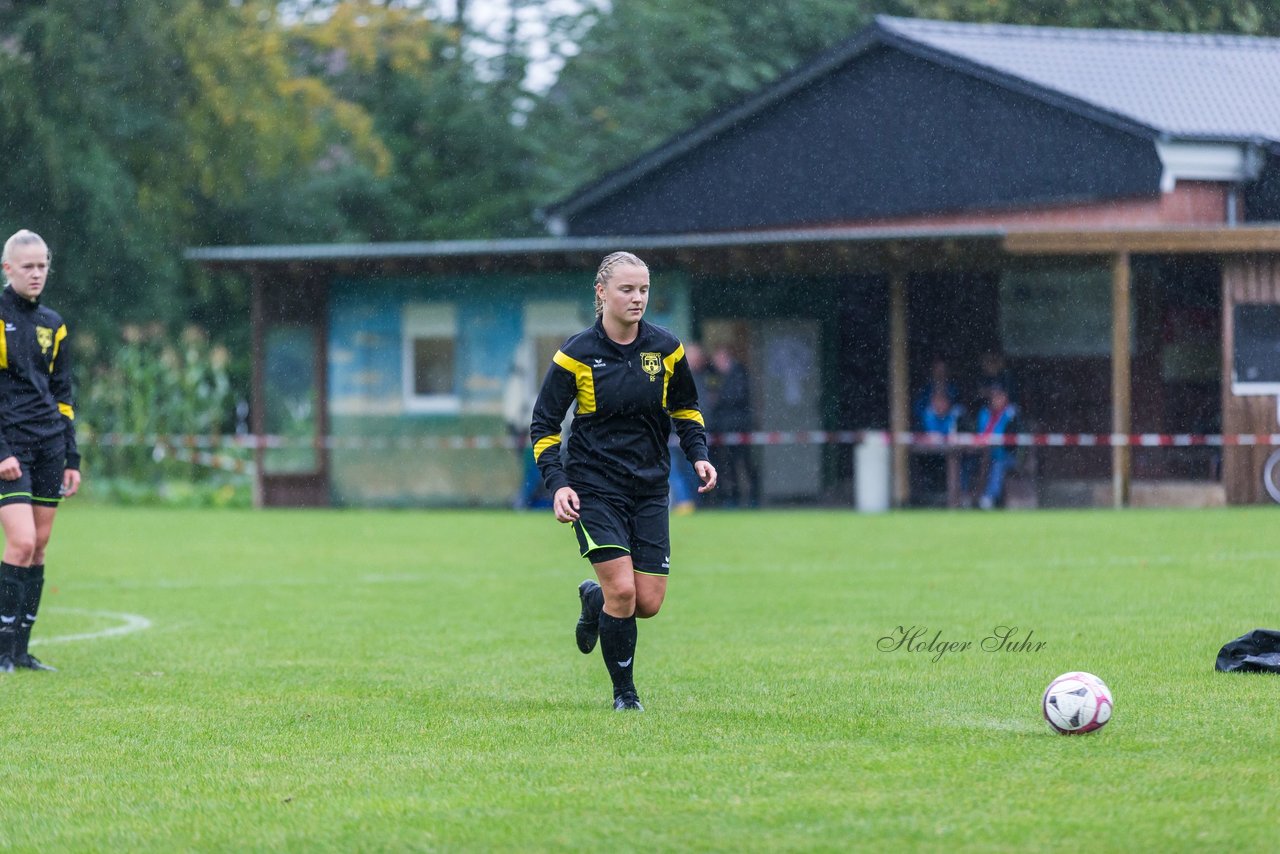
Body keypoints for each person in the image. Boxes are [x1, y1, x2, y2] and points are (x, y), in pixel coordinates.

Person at [529, 251, 716, 711]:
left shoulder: (666, 348)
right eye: (627, 289)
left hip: (650, 487)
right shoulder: (576, 354)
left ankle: (594, 601)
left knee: (647, 601)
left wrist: (698, 455)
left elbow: (686, 409)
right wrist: (558, 483)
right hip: (594, 488)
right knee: (624, 591)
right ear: (602, 293)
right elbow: (544, 425)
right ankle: (625, 695)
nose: (637, 299)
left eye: (644, 290)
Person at [0, 230, 81, 672]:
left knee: (40, 546)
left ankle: (19, 652)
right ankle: (1, 650)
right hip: (9, 449)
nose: (36, 273)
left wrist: (72, 457)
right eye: (27, 266)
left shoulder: (54, 323)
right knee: (22, 540)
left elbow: (62, 393)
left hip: (49, 444)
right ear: (7, 268)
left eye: (42, 266)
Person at [707, 345, 757, 507]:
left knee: (745, 462)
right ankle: (732, 497)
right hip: (723, 427)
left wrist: (720, 398)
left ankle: (753, 497)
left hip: (740, 427)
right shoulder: (714, 375)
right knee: (727, 465)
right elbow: (710, 396)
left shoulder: (739, 373)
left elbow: (738, 396)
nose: (718, 363)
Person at [668, 341, 708, 515]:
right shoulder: (680, 377)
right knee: (675, 469)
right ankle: (685, 501)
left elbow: (695, 408)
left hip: (692, 433)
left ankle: (690, 501)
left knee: (691, 470)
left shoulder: (701, 379)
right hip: (676, 434)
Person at [972, 384, 1018, 510]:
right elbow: (981, 433)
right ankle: (966, 496)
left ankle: (990, 497)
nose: (997, 400)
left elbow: (1005, 437)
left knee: (998, 464)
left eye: (1000, 396)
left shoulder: (1011, 414)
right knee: (966, 462)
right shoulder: (984, 413)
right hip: (983, 453)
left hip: (1007, 456)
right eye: (994, 397)